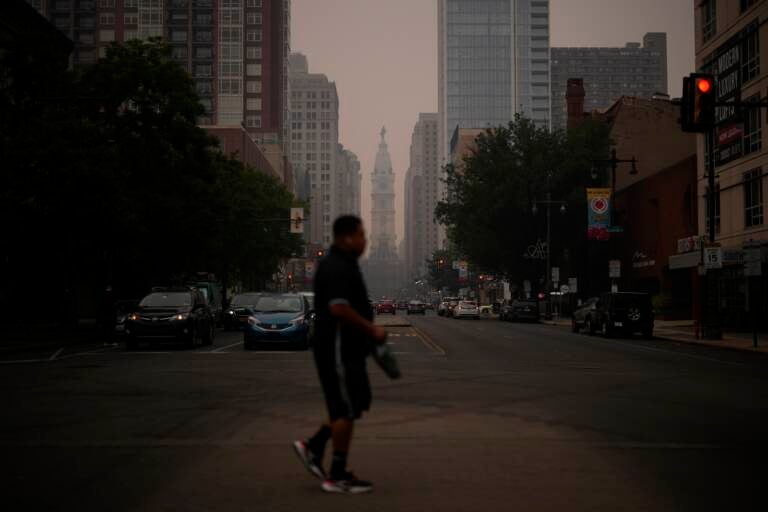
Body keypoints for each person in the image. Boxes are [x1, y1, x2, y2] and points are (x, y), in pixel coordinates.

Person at [293, 215, 387, 494]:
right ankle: (336, 473)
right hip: (337, 348)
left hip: (347, 349)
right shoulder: (335, 266)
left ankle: (315, 446)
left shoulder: (344, 264)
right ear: (347, 237)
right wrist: (372, 329)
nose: (365, 240)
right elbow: (338, 308)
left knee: (353, 403)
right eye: (361, 235)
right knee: (346, 406)